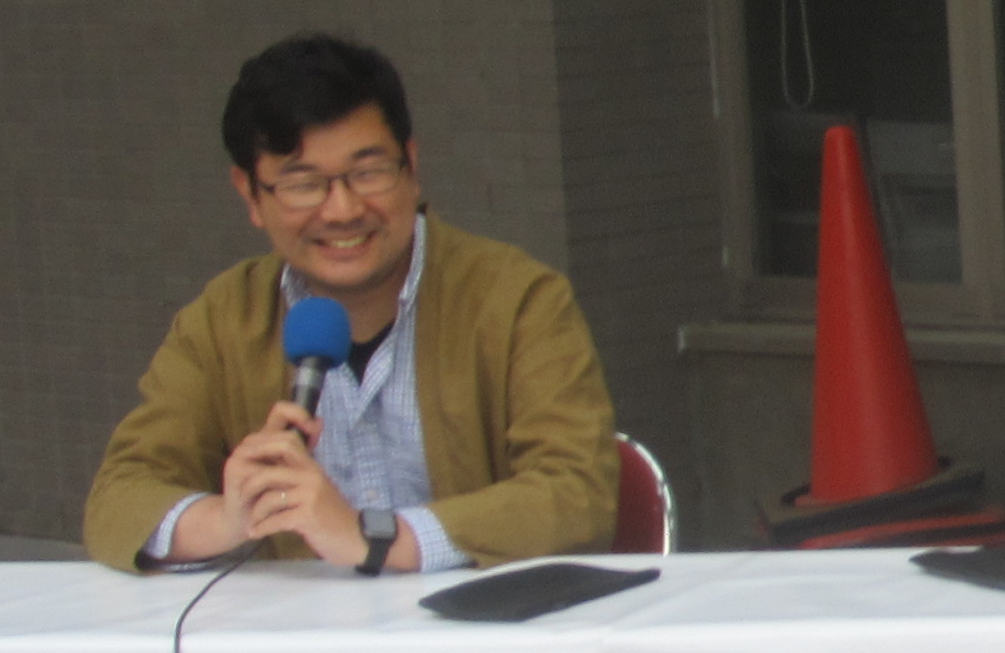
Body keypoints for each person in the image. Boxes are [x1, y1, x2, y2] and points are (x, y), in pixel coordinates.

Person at [84, 35, 620, 573]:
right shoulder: (220, 321)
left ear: (411, 165)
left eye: (368, 173)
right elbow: (119, 498)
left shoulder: (518, 300)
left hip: (477, 619)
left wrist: (378, 540)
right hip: (299, 626)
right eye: (303, 183)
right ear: (250, 195)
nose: (341, 210)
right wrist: (229, 519)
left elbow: (577, 490)